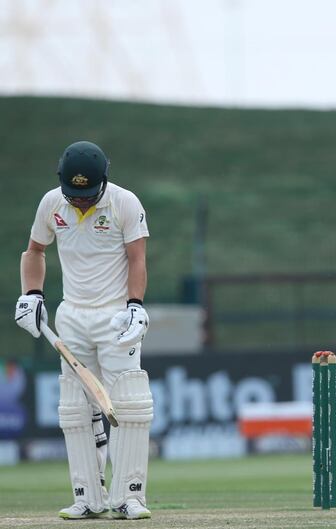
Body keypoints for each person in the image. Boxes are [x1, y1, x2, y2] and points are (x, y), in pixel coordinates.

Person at [15, 141, 154, 520]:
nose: (79, 203)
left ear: (103, 182)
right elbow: (34, 251)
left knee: (128, 404)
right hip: (72, 316)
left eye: (87, 196)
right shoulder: (51, 203)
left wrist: (135, 305)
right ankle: (88, 498)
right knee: (76, 409)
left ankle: (129, 497)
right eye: (73, 195)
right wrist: (32, 294)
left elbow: (137, 258)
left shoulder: (124, 202)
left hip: (115, 318)